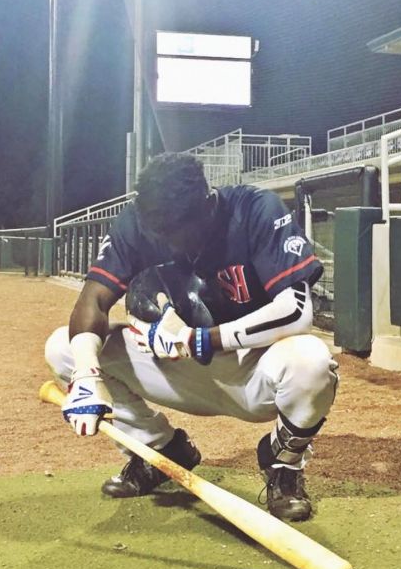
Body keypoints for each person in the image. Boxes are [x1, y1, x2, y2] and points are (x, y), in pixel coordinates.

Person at [44, 152, 339, 522]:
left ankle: (283, 464)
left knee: (311, 362)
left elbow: (297, 312)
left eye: (176, 230)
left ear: (206, 205)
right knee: (64, 348)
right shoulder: (137, 221)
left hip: (251, 370)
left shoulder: (254, 209)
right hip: (175, 369)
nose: (167, 241)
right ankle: (161, 449)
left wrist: (202, 340)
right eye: (159, 232)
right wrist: (86, 376)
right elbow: (94, 298)